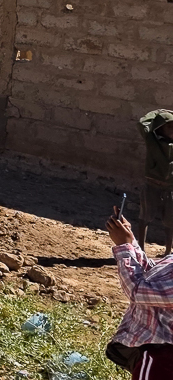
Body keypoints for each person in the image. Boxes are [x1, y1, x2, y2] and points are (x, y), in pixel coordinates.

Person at [105, 205, 173, 376]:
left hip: (162, 359)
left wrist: (123, 246)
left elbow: (137, 290)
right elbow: (151, 272)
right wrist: (131, 242)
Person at [139, 110, 173, 255]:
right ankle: (140, 248)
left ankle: (168, 251)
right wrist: (160, 112)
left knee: (170, 221)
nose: (172, 130)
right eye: (169, 126)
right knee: (145, 217)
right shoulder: (152, 140)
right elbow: (142, 123)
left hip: (171, 189)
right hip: (152, 186)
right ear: (159, 128)